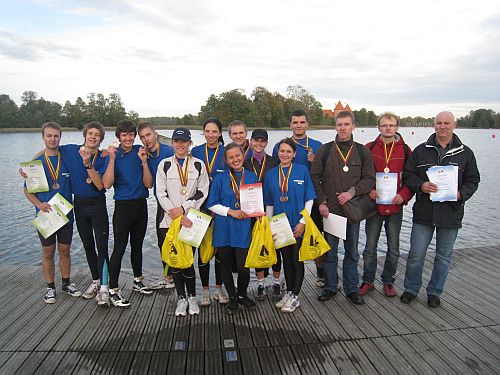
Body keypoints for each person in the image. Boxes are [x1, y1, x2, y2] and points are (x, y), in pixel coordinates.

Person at [401, 111, 479, 308]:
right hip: (424, 212)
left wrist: (462, 194)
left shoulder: (465, 153)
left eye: (446, 123)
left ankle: (434, 292)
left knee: (443, 257)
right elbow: (408, 175)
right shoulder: (421, 150)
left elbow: (473, 180)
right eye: (439, 123)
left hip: (451, 213)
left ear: (454, 125)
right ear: (433, 125)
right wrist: (421, 186)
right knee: (416, 254)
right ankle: (411, 289)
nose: (442, 127)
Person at [310, 111, 375, 305]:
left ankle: (351, 289)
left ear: (353, 126)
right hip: (331, 211)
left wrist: (353, 192)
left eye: (347, 124)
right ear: (335, 126)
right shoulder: (325, 150)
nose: (343, 128)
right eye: (340, 124)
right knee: (330, 252)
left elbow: (370, 179)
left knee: (352, 252)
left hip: (352, 210)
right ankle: (331, 287)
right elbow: (315, 177)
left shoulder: (363, 151)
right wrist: (321, 202)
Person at [23, 122, 81, 303]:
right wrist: (39, 204)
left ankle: (66, 283)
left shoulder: (67, 159)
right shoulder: (36, 164)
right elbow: (28, 191)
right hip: (45, 215)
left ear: (60, 138)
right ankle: (50, 288)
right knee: (48, 252)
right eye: (49, 136)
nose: (52, 139)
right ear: (43, 138)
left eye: (56, 136)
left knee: (65, 250)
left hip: (65, 214)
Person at [156, 128, 210, 316]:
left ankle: (192, 298)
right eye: (176, 141)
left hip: (191, 221)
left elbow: (203, 191)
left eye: (184, 141)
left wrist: (185, 209)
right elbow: (159, 193)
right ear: (172, 143)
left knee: (188, 261)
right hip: (170, 220)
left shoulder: (198, 165)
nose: (180, 145)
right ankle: (181, 298)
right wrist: (176, 213)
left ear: (189, 143)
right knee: (174, 261)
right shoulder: (164, 165)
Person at [360, 113, 414, 297]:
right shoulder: (369, 148)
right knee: (370, 248)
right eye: (384, 125)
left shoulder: (406, 151)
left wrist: (403, 195)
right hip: (374, 206)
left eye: (391, 125)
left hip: (395, 207)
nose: (388, 128)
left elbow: (412, 179)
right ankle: (368, 281)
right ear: (379, 128)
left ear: (397, 127)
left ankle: (388, 282)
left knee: (393, 249)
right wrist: (368, 190)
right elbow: (362, 176)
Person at [102, 120, 154, 307]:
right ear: (118, 137)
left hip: (141, 205)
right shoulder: (114, 155)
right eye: (124, 135)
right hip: (123, 207)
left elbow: (149, 184)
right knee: (119, 247)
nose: (128, 138)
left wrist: (144, 162)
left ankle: (138, 280)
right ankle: (113, 289)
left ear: (135, 136)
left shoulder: (141, 151)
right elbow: (106, 184)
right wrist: (111, 160)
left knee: (137, 245)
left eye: (131, 134)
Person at [272, 110, 326, 288]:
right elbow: (276, 172)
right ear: (290, 125)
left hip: (311, 198)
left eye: (302, 122)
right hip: (288, 201)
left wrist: (316, 160)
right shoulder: (281, 146)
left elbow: (327, 172)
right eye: (295, 122)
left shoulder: (317, 145)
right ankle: (284, 280)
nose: (299, 125)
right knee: (288, 247)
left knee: (314, 236)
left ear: (307, 124)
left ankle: (320, 272)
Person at [264, 138, 316, 312]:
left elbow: (309, 199)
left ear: (294, 154)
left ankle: (295, 296)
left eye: (288, 151)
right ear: (277, 153)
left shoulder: (302, 171)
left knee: (296, 259)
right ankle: (289, 292)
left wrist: (303, 222)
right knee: (286, 259)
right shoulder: (271, 174)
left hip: (297, 223)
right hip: (279, 225)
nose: (284, 154)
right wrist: (270, 225)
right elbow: (269, 203)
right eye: (282, 151)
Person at [206, 143, 258, 315]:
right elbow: (211, 204)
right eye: (231, 157)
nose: (235, 159)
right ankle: (233, 298)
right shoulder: (220, 179)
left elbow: (256, 203)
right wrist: (231, 212)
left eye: (238, 156)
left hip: (243, 227)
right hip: (224, 226)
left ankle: (242, 294)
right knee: (226, 266)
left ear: (243, 156)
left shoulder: (252, 176)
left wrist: (257, 213)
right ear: (226, 161)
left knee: (244, 267)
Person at [190, 118, 229, 305]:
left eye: (215, 131)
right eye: (208, 131)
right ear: (203, 132)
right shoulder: (196, 152)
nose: (211, 135)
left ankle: (219, 290)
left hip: (220, 210)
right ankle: (205, 291)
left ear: (220, 133)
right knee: (202, 252)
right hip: (201, 209)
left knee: (221, 253)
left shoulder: (226, 152)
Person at [243, 129, 280, 300]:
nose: (259, 144)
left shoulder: (274, 161)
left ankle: (277, 281)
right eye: (256, 141)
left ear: (266, 143)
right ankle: (261, 284)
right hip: (251, 210)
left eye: (262, 141)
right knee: (259, 244)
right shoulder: (244, 161)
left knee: (275, 244)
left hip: (271, 207)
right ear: (250, 141)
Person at [137, 122, 175, 290]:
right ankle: (168, 278)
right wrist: (144, 162)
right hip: (162, 204)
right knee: (163, 242)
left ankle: (181, 278)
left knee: (180, 242)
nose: (147, 139)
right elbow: (149, 184)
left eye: (148, 135)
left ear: (155, 134)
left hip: (178, 205)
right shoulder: (145, 155)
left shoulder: (169, 150)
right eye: (143, 137)